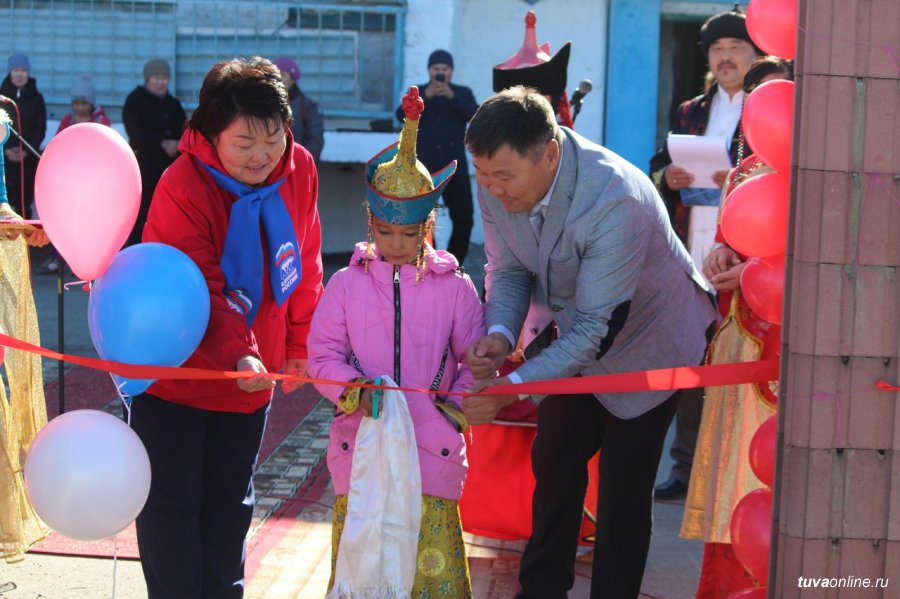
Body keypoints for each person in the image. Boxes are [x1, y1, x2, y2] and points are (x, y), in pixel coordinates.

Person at [461, 86, 716, 599]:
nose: (494, 191)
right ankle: (542, 588)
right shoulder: (498, 180)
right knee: (554, 460)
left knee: (624, 485)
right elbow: (508, 268)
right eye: (483, 177)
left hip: (652, 340)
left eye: (504, 178)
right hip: (580, 333)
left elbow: (596, 331)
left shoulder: (613, 198)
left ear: (549, 153)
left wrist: (511, 387)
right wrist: (500, 333)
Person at [132, 56, 324, 598]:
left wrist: (301, 345)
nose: (262, 156)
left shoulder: (299, 168)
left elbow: (305, 262)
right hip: (179, 373)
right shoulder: (182, 183)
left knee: (230, 506)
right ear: (209, 132)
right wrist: (241, 353)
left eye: (273, 138)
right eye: (244, 143)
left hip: (249, 381)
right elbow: (200, 286)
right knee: (172, 506)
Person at [308, 86, 483, 598]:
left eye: (411, 235)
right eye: (387, 233)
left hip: (433, 444)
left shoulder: (455, 287)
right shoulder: (344, 285)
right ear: (371, 223)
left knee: (427, 573)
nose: (398, 246)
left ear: (430, 225)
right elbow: (322, 357)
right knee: (364, 565)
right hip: (361, 441)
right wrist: (354, 392)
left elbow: (474, 357)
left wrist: (454, 408)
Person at [682, 57, 792, 599]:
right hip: (742, 337)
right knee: (737, 492)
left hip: (792, 345)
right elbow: (729, 243)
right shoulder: (746, 172)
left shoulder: (827, 174)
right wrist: (722, 259)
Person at [649, 5, 764, 502]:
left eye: (736, 47)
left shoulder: (767, 105)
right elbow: (659, 166)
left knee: (736, 356)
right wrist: (668, 179)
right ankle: (685, 466)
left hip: (745, 252)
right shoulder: (692, 109)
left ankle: (737, 467)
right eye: (718, 49)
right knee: (691, 354)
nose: (725, 57)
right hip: (691, 242)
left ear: (757, 55)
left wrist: (738, 180)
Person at [396, 50, 477, 265]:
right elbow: (399, 115)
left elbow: (476, 116)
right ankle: (429, 261)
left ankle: (453, 264)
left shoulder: (462, 92)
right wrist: (427, 97)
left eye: (444, 69)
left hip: (455, 169)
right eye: (436, 69)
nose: (440, 73)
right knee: (421, 219)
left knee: (464, 218)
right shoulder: (419, 92)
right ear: (429, 70)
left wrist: (451, 96)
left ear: (451, 71)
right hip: (424, 169)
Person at [122, 58, 187, 247]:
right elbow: (135, 131)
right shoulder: (135, 100)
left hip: (168, 173)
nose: (161, 81)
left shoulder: (173, 104)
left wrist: (176, 144)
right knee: (141, 217)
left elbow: (183, 129)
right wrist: (161, 142)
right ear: (147, 79)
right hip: (144, 171)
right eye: (156, 77)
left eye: (165, 77)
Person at [1, 53, 46, 221]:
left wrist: (25, 151)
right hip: (3, 160)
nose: (19, 74)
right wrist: (5, 151)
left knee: (23, 204)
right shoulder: (2, 98)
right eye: (15, 70)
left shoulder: (37, 98)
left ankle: (24, 243)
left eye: (23, 70)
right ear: (9, 72)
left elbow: (40, 129)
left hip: (26, 162)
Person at [272, 57, 324, 163]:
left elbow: (315, 140)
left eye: (283, 74)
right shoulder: (261, 103)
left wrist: (302, 164)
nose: (278, 79)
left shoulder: (308, 107)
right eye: (274, 74)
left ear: (293, 79)